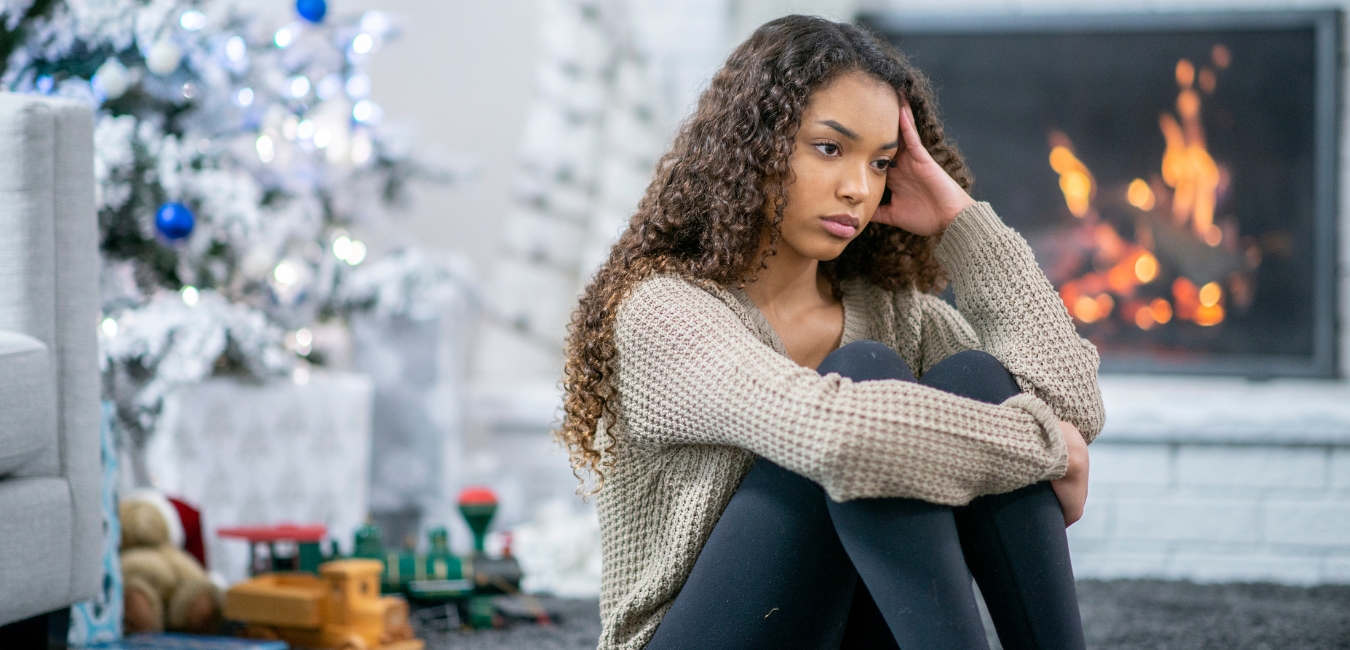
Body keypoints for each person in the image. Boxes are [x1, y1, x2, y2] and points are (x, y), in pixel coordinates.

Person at [557, 15, 1103, 650]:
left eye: (882, 165)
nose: (858, 189)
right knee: (865, 374)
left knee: (977, 379)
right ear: (754, 145)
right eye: (829, 148)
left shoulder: (895, 312)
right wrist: (1044, 446)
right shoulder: (663, 313)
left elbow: (1068, 407)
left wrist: (961, 222)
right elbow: (836, 435)